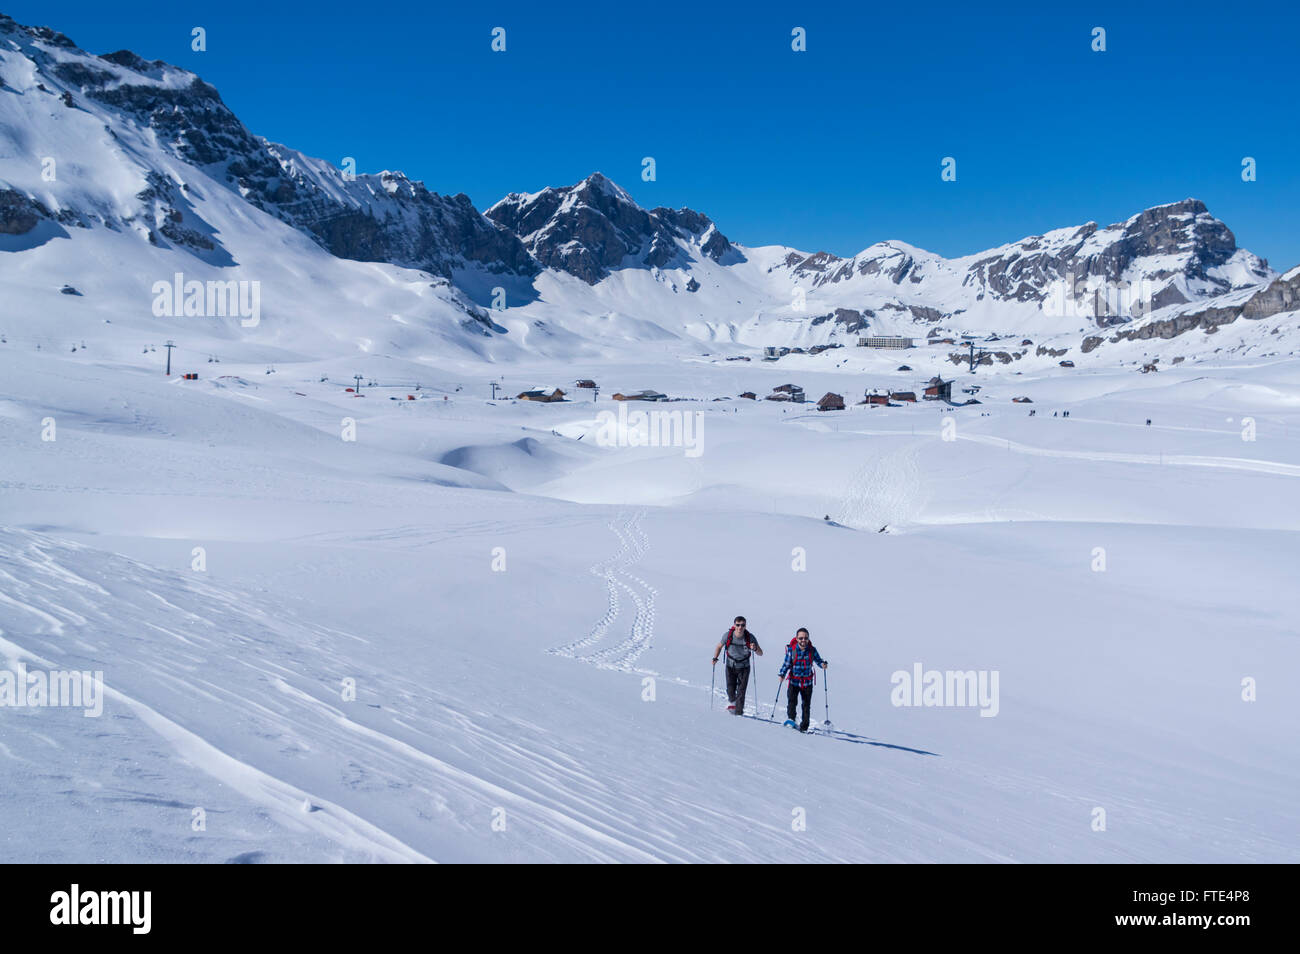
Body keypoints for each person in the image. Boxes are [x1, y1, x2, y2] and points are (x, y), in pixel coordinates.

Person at [777, 628, 827, 732]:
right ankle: (791, 719)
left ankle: (804, 726)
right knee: (792, 702)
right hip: (794, 681)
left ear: (808, 639)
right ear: (796, 638)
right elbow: (786, 664)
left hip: (807, 683)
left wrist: (822, 664)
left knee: (806, 705)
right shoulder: (792, 650)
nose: (803, 640)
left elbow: (818, 660)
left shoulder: (812, 650)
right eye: (801, 638)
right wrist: (782, 674)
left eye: (805, 638)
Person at [712, 616, 762, 715]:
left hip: (744, 667)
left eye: (742, 625)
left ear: (745, 626)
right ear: (734, 625)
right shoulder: (728, 635)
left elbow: (760, 653)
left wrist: (755, 648)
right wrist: (715, 658)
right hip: (730, 665)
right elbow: (719, 646)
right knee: (730, 689)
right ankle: (733, 703)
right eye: (738, 625)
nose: (740, 627)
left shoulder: (750, 637)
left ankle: (738, 713)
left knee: (741, 691)